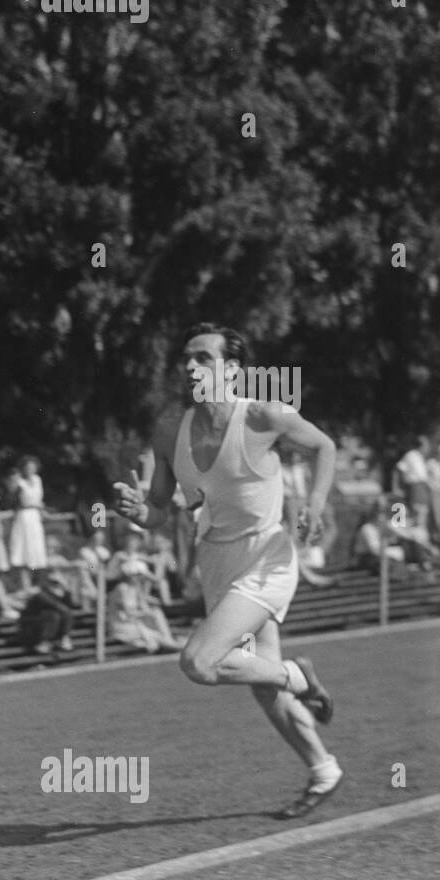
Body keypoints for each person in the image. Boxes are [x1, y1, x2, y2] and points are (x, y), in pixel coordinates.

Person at [114, 323, 340, 818]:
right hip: (215, 561)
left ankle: (298, 676)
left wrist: (316, 504)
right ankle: (323, 769)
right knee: (262, 687)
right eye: (187, 359)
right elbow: (159, 510)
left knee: (198, 661)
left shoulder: (264, 415)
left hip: (268, 558)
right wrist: (138, 512)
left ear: (232, 370)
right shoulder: (169, 428)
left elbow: (324, 446)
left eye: (203, 358)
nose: (190, 367)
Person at [107, 559, 183, 653]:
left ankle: (170, 641)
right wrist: (147, 612)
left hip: (133, 623)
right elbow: (128, 613)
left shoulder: (135, 587)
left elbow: (143, 605)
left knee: (156, 615)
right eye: (139, 575)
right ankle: (172, 643)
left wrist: (150, 611)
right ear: (131, 575)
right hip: (122, 626)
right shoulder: (122, 589)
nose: (141, 578)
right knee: (155, 634)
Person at [6, 456, 48, 593]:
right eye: (27, 467)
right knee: (23, 552)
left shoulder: (37, 479)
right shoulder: (19, 481)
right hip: (24, 517)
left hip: (35, 517)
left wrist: (42, 509)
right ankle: (26, 586)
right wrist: (14, 481)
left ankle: (38, 586)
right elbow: (14, 498)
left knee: (36, 552)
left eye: (32, 467)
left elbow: (38, 499)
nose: (30, 470)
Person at [395, 434, 432, 530]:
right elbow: (398, 470)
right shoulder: (411, 455)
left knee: (422, 515)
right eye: (427, 445)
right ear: (421, 445)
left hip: (422, 489)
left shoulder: (420, 458)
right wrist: (397, 488)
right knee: (417, 514)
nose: (428, 448)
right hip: (415, 489)